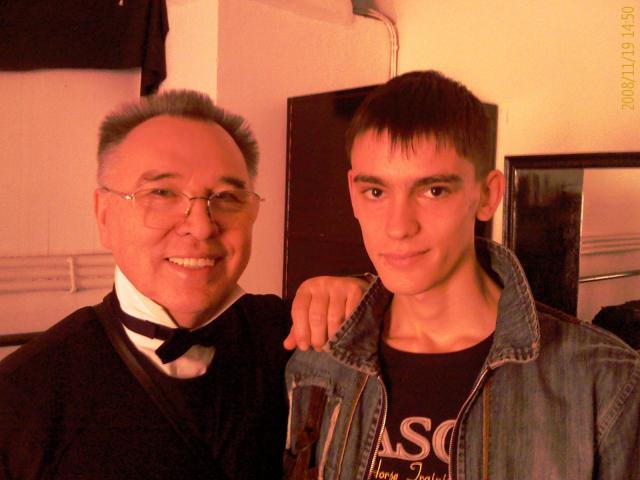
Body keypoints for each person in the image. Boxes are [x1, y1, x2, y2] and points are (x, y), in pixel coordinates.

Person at [284, 71, 640, 479]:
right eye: (376, 192)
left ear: (487, 195)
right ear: (353, 193)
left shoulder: (604, 382)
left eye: (433, 190)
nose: (398, 227)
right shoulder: (316, 363)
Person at [0, 90, 364, 479]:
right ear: (104, 215)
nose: (202, 226)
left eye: (226, 196)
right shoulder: (21, 396)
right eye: (161, 193)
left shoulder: (299, 337)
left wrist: (364, 291)